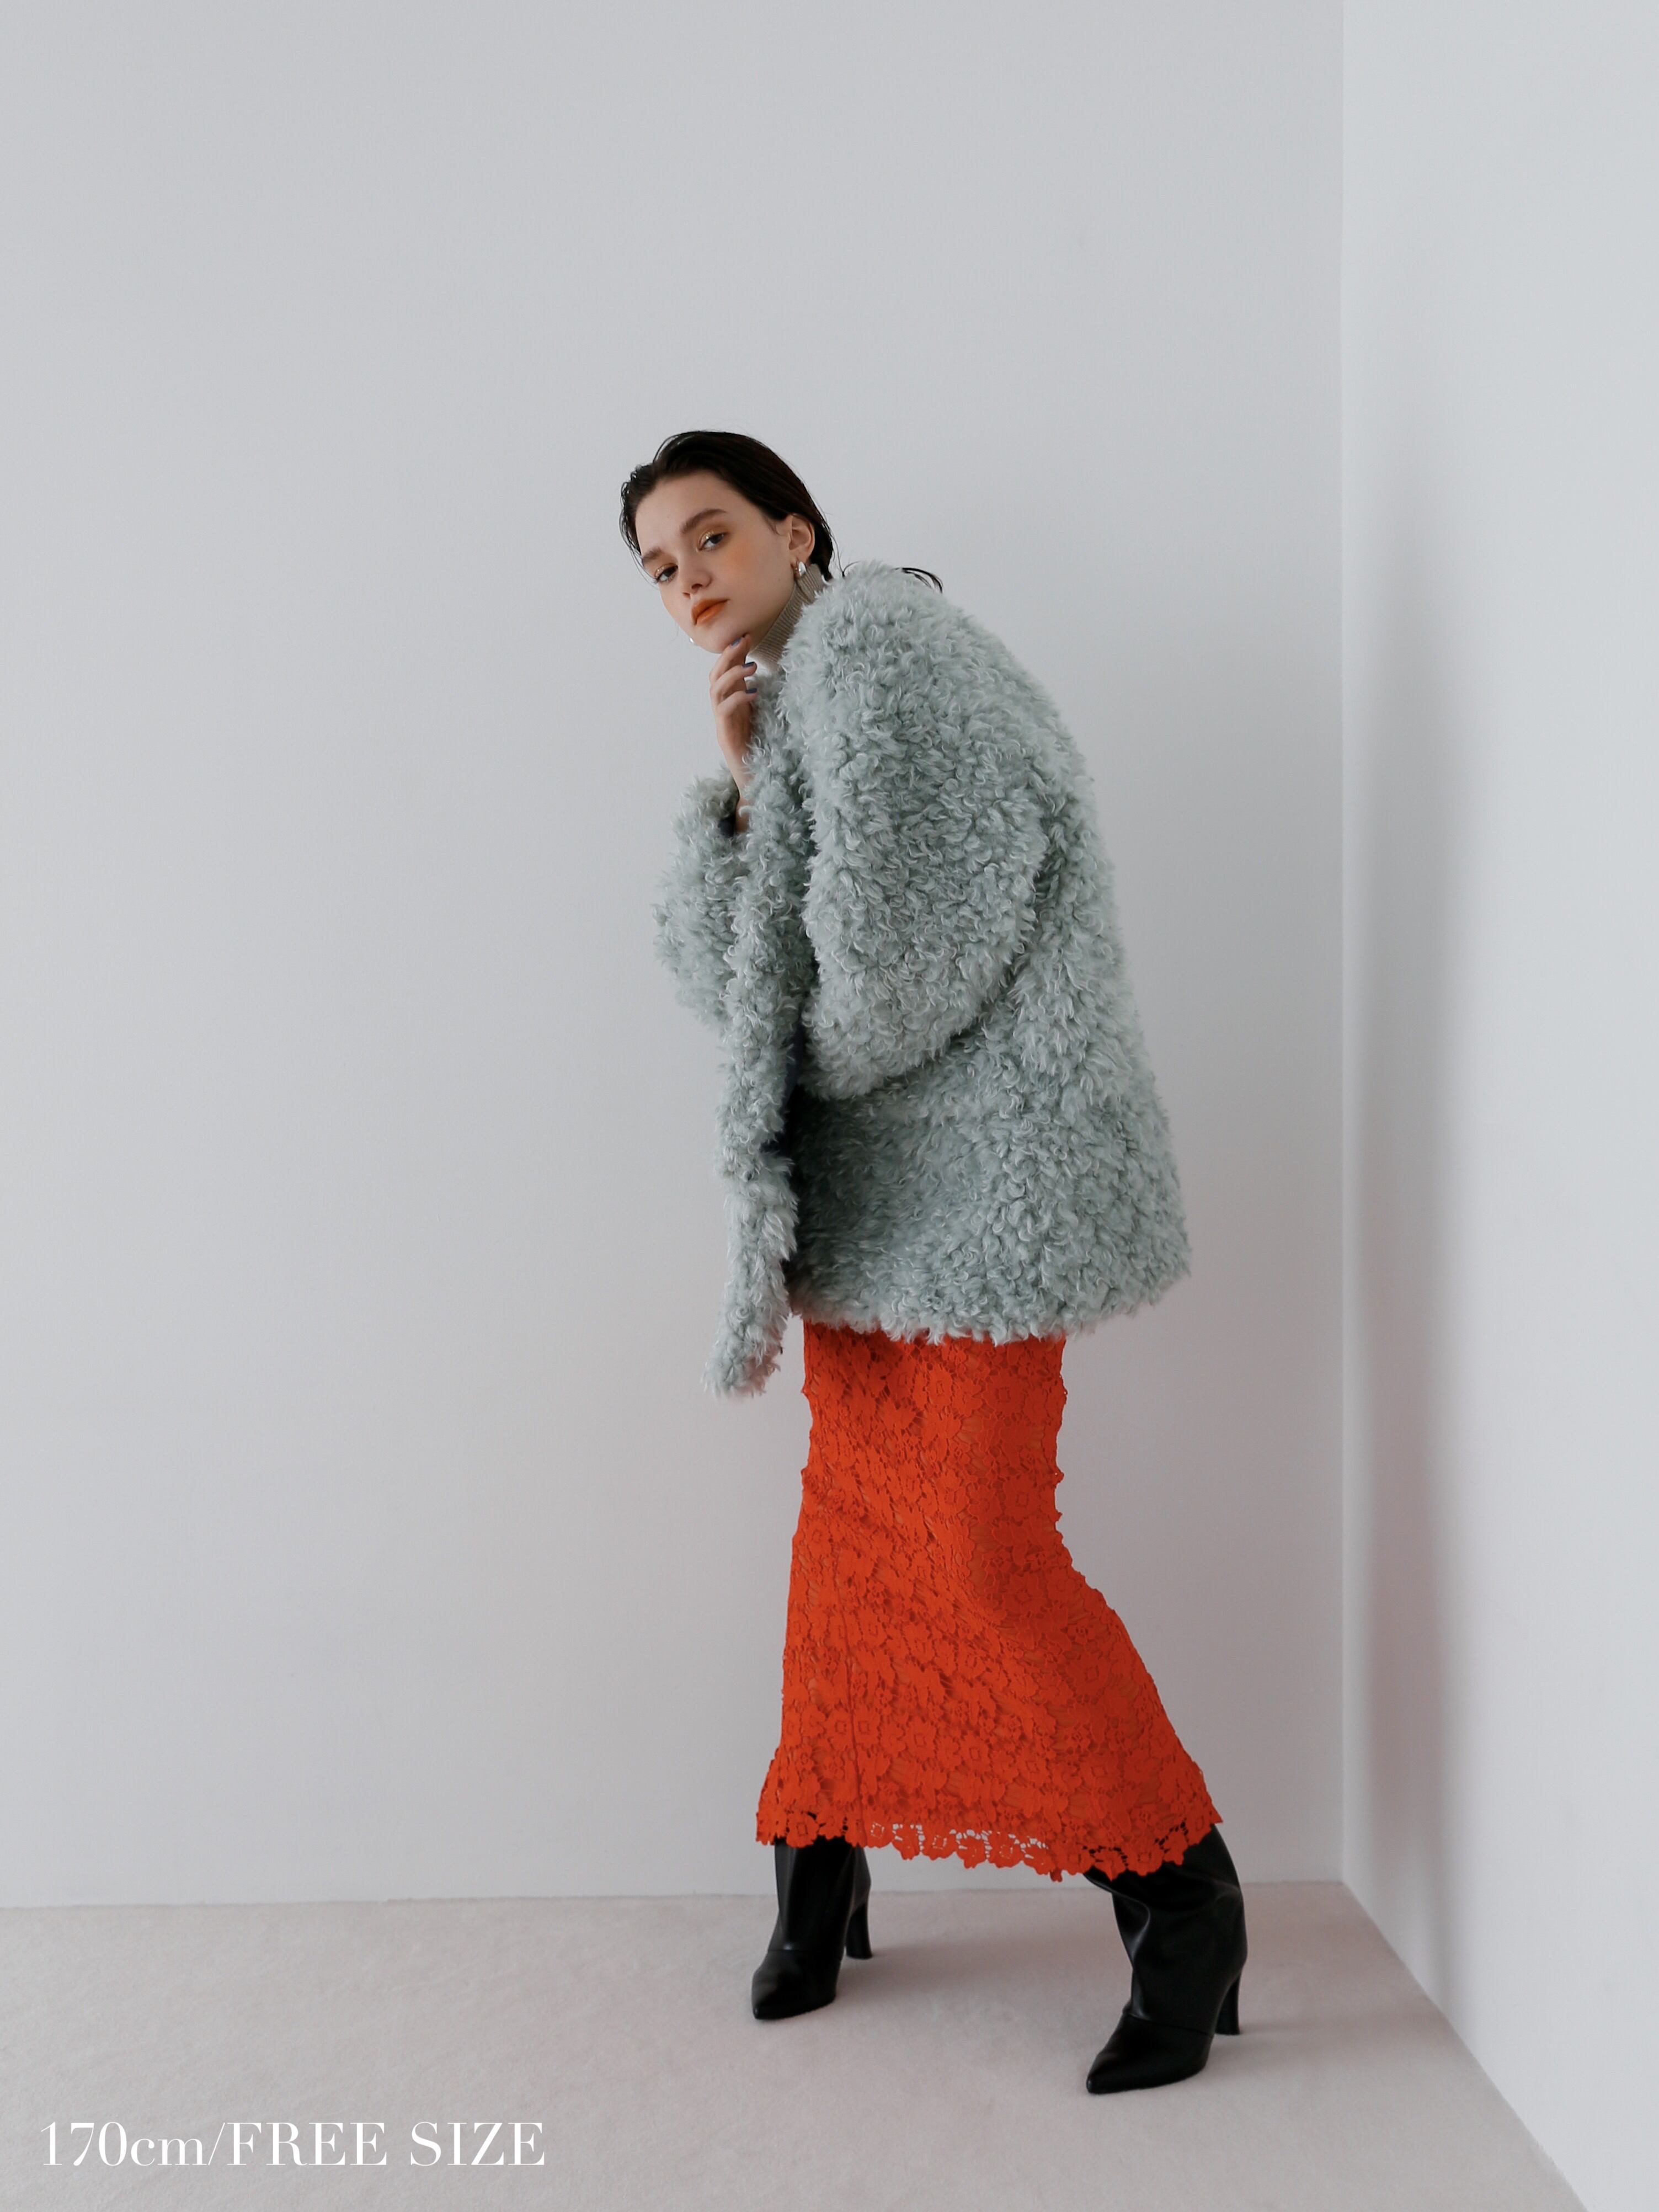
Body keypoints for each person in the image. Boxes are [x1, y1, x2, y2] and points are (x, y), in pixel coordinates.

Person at [622, 429, 1247, 2094]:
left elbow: (895, 975)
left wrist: (776, 1048)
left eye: (710, 535)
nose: (688, 579)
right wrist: (744, 789)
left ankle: (1183, 1894)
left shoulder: (891, 653)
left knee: (978, 1552)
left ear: (796, 529)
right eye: (660, 566)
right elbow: (729, 974)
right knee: (849, 1549)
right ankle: (819, 1859)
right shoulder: (800, 698)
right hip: (886, 1206)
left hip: (987, 1194)